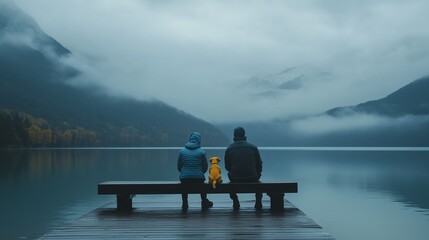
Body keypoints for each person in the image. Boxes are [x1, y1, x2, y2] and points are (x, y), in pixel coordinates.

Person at [224, 127, 263, 210]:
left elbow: (227, 167)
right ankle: (258, 200)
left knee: (229, 175)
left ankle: (235, 200)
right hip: (252, 178)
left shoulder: (229, 148)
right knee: (258, 175)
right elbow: (259, 165)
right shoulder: (253, 147)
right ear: (244, 135)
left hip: (235, 178)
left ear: (234, 136)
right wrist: (257, 173)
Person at [177, 132, 213, 210]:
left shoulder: (182, 152)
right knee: (202, 183)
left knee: (184, 183)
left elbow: (179, 167)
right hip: (199, 178)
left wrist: (184, 173)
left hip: (184, 178)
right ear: (199, 140)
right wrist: (199, 173)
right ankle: (203, 201)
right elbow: (205, 167)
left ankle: (185, 203)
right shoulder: (202, 152)